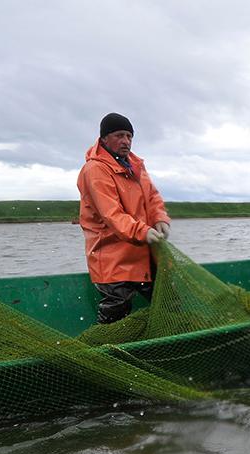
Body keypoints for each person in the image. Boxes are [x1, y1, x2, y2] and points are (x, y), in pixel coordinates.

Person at [76, 112, 171, 324]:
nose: (126, 141)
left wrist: (160, 218)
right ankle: (107, 351)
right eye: (120, 135)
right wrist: (143, 231)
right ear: (104, 139)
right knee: (115, 314)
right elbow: (111, 214)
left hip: (144, 254)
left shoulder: (136, 164)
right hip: (112, 257)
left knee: (170, 302)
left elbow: (152, 196)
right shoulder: (95, 169)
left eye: (129, 136)